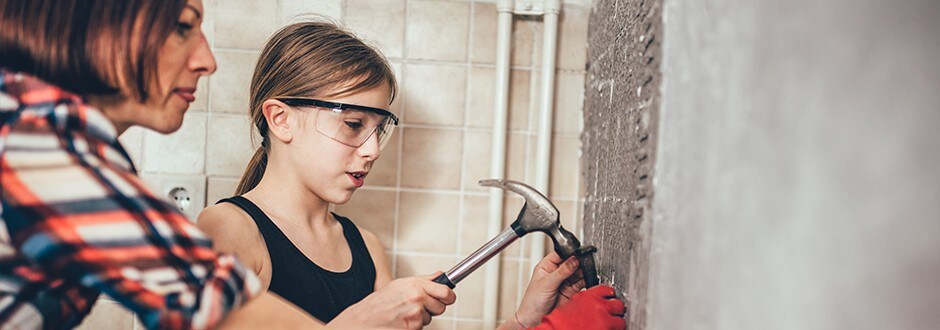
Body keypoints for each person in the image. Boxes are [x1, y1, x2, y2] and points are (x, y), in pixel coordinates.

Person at [0, 1, 452, 329]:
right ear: (98, 22)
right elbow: (215, 308)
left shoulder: (49, 137)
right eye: (182, 27)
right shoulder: (37, 139)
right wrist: (365, 318)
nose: (207, 61)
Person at [196, 21, 626, 329]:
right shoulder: (228, 229)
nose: (373, 149)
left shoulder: (365, 248)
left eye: (379, 127)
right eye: (353, 125)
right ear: (280, 119)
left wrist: (527, 320)